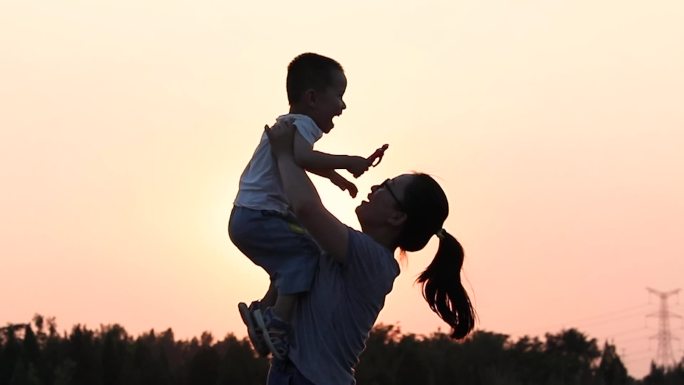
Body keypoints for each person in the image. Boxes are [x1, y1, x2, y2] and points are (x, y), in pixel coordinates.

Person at [262, 120, 476, 385]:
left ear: (397, 217)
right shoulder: (351, 251)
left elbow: (307, 208)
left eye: (387, 186)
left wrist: (284, 154)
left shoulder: (373, 260)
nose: (375, 188)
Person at [228, 53, 374, 359]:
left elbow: (298, 157)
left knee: (293, 258)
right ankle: (276, 321)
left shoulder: (289, 124)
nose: (343, 106)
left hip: (248, 216)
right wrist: (348, 163)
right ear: (312, 98)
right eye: (339, 96)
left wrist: (336, 179)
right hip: (261, 216)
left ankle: (264, 313)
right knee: (307, 254)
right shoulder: (303, 124)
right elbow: (304, 158)